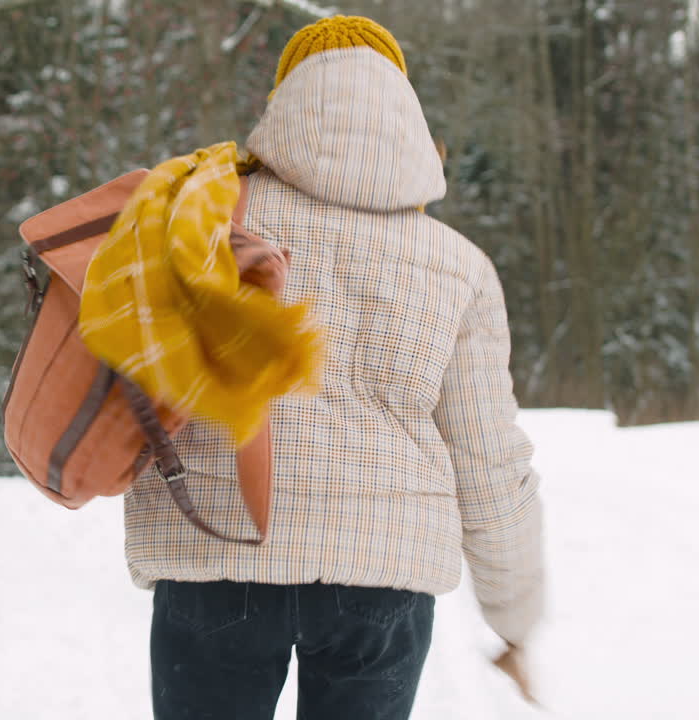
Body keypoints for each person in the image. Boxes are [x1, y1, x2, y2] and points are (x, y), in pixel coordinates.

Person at [120, 16, 546, 720]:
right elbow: (491, 460)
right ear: (405, 112)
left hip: (217, 553)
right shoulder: (459, 266)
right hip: (382, 582)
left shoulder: (207, 219)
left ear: (282, 101)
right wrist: (515, 618)